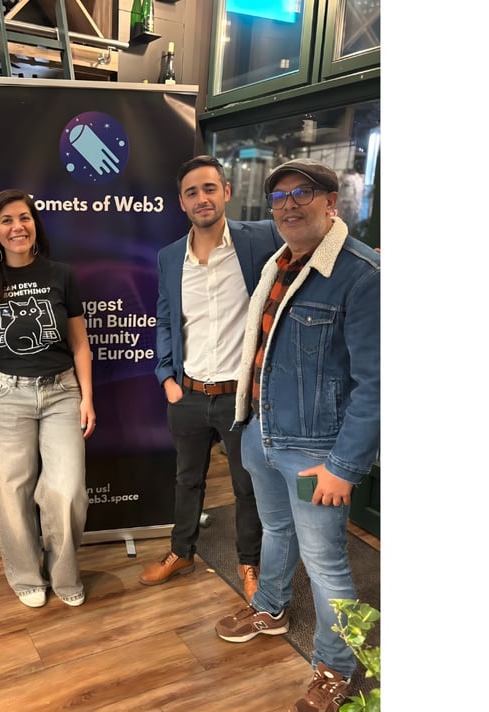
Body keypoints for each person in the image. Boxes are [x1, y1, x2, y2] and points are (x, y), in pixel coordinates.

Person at [214, 158, 380, 712]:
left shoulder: (363, 275)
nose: (288, 205)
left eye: (302, 193)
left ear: (332, 202)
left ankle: (338, 667)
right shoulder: (280, 262)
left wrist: (343, 466)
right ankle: (271, 606)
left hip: (315, 453)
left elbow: (379, 384)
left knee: (327, 562)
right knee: (275, 530)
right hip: (262, 434)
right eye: (279, 196)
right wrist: (248, 428)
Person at [138, 155, 282, 603]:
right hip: (188, 394)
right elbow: (166, 318)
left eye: (209, 188)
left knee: (246, 486)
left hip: (241, 397)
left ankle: (248, 562)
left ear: (226, 192)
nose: (202, 198)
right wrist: (166, 378)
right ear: (181, 202)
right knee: (187, 480)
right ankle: (181, 552)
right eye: (192, 192)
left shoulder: (262, 238)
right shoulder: (169, 257)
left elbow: (309, 247)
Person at [0, 189, 95, 609]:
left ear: (35, 225)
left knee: (67, 490)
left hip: (61, 393)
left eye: (24, 218)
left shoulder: (61, 275)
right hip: (5, 395)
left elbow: (80, 343)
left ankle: (64, 572)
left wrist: (87, 398)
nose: (17, 227)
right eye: (7, 220)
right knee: (12, 492)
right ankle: (25, 574)